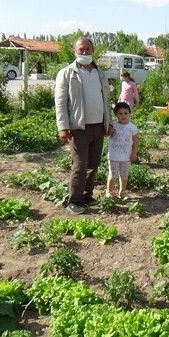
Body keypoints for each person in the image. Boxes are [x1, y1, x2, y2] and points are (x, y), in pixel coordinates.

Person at [55, 36, 113, 215]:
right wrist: (62, 126)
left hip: (98, 126)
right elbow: (60, 102)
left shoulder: (99, 73)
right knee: (80, 165)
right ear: (75, 51)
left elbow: (106, 99)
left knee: (93, 164)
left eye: (88, 49)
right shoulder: (66, 73)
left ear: (93, 51)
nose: (85, 52)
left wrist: (108, 123)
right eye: (82, 49)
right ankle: (75, 201)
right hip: (78, 127)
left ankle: (87, 196)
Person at [106, 101, 139, 200]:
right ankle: (109, 191)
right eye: (120, 113)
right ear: (116, 115)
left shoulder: (132, 128)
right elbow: (106, 135)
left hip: (126, 157)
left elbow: (136, 142)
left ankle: (123, 192)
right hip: (113, 156)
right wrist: (109, 131)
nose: (123, 116)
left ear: (130, 114)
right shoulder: (113, 125)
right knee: (113, 175)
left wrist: (134, 153)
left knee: (124, 175)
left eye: (126, 113)